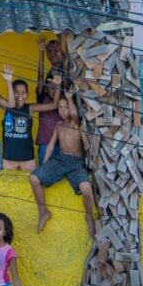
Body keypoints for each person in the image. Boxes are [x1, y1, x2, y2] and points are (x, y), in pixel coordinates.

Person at [30, 91, 98, 237]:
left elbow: (74, 113)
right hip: (60, 160)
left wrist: (68, 97)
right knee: (34, 178)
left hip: (76, 162)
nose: (63, 110)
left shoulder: (76, 123)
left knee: (86, 189)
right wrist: (43, 165)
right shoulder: (59, 125)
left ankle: (89, 216)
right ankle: (43, 211)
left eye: (66, 107)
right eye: (60, 107)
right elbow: (50, 145)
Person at [1, 68, 59, 171]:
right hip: (8, 159)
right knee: (8, 186)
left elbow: (54, 105)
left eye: (24, 92)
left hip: (28, 159)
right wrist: (8, 82)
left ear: (28, 93)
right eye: (16, 92)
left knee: (32, 185)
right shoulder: (5, 107)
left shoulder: (30, 108)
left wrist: (58, 85)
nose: (20, 96)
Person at [35, 69, 64, 165]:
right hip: (45, 144)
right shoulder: (42, 98)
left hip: (61, 145)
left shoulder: (63, 102)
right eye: (52, 88)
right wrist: (41, 54)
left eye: (57, 88)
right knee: (43, 172)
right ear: (46, 89)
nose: (55, 91)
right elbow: (40, 75)